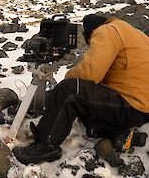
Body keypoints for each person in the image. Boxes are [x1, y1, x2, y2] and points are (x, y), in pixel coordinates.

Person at [13, 14, 149, 166]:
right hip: (142, 108)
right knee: (86, 106)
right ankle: (118, 134)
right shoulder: (133, 32)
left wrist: (68, 78)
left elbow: (92, 72)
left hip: (132, 104)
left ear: (91, 32)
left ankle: (45, 146)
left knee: (69, 90)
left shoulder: (106, 31)